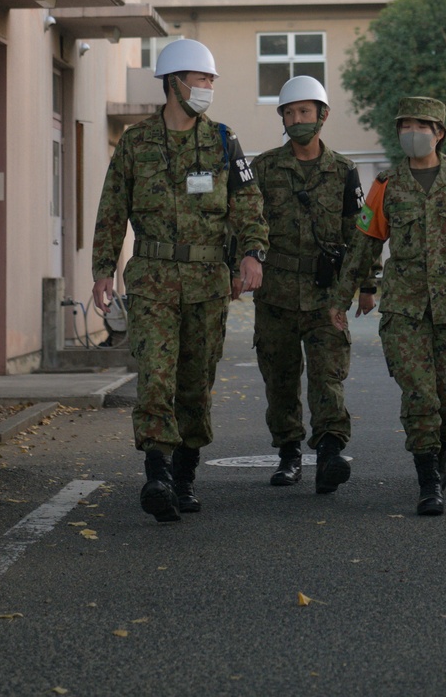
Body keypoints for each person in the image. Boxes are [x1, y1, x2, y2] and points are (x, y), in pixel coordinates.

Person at [92, 38, 267, 522]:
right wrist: (102, 269)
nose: (208, 87)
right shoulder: (135, 142)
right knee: (155, 379)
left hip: (208, 283)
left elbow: (250, 207)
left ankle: (185, 475)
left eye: (211, 80)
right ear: (174, 83)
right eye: (201, 79)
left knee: (194, 384)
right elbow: (112, 209)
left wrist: (252, 255)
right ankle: (157, 474)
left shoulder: (223, 141)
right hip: (151, 282)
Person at [330, 96, 446, 516]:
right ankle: (428, 478)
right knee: (419, 396)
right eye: (404, 126)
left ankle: (440, 445)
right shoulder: (386, 185)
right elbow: (363, 245)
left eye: (421, 126)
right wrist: (341, 298)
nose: (412, 134)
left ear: (440, 133)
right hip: (405, 309)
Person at [251, 75, 372, 494]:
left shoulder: (344, 171)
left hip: (326, 296)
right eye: (289, 112)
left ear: (322, 115)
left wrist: (367, 285)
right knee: (280, 377)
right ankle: (288, 454)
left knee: (327, 377)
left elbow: (360, 234)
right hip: (276, 295)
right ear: (282, 118)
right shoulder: (263, 168)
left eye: (305, 111)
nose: (297, 118)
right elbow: (245, 225)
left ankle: (329, 453)